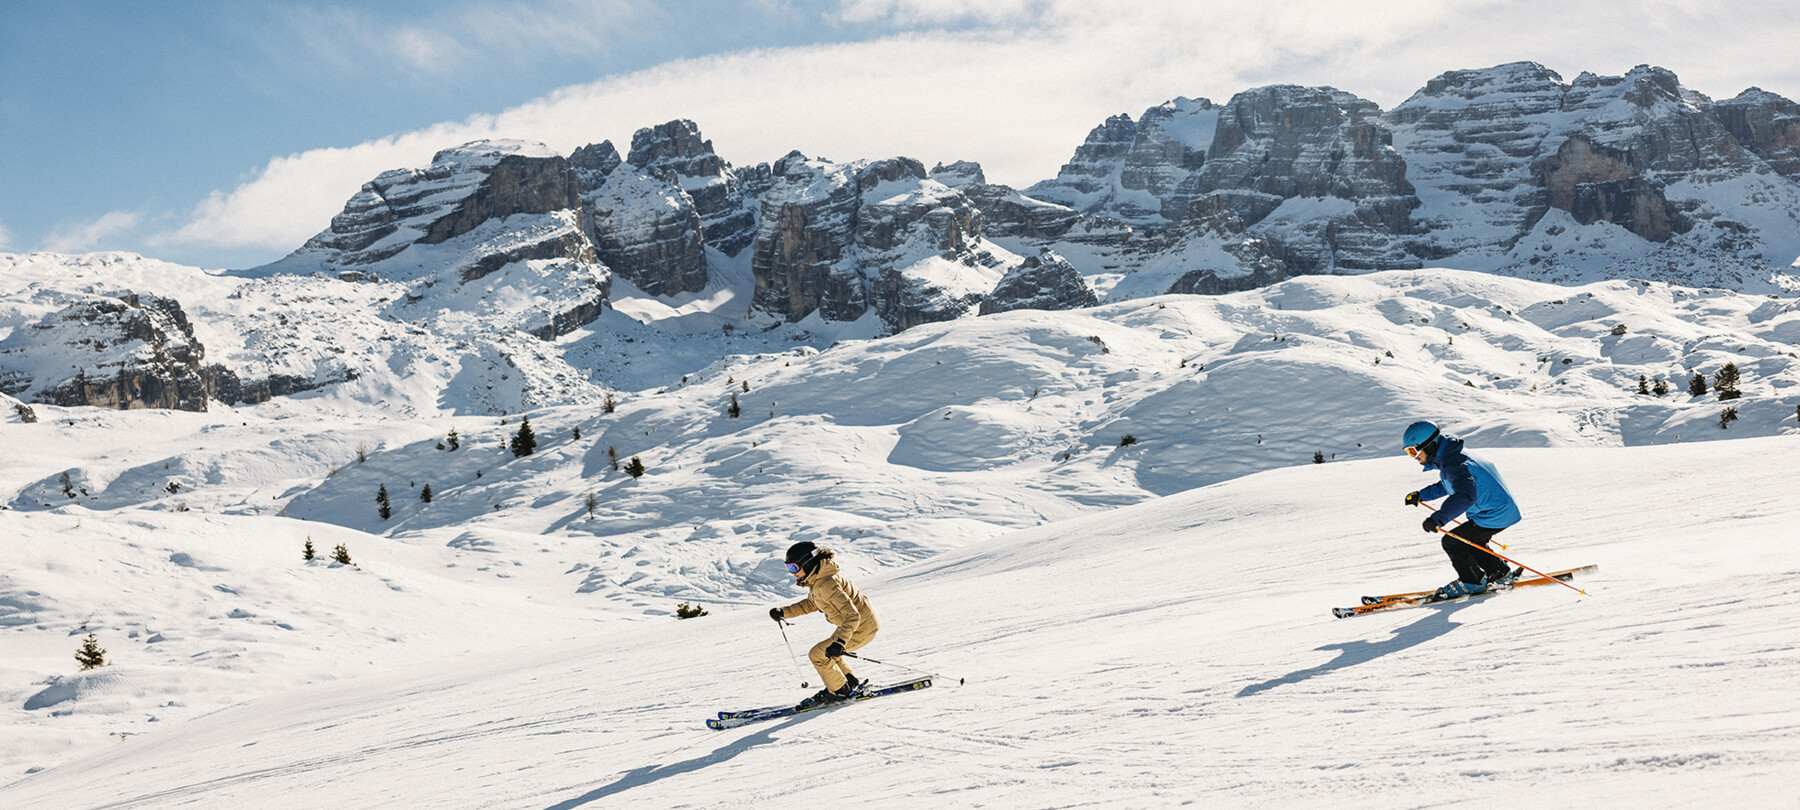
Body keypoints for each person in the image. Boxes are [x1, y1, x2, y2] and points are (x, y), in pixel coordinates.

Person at [1401, 420, 1522, 599]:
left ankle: (1472, 582)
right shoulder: (1452, 457)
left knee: (1453, 542)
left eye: (1413, 451)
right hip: (1499, 510)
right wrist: (1421, 495)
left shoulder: (1453, 463)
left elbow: (1465, 495)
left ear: (1429, 446)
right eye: (1408, 452)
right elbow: (1450, 484)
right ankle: (1501, 574)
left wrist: (1438, 519)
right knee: (1472, 541)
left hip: (1494, 514)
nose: (1413, 457)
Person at [768, 541, 880, 708]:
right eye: (788, 568)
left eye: (794, 567)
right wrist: (784, 612)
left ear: (808, 563)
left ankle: (840, 692)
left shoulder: (827, 584)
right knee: (829, 652)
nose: (792, 573)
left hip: (860, 628)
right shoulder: (819, 580)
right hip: (860, 625)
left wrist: (840, 642)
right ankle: (849, 683)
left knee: (818, 655)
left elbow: (852, 615)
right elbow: (811, 604)